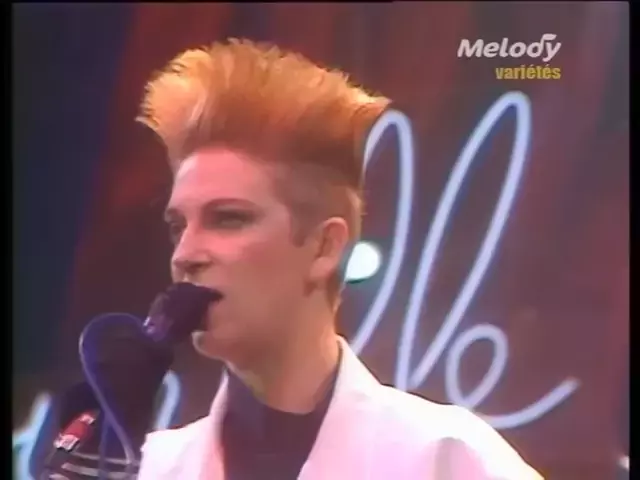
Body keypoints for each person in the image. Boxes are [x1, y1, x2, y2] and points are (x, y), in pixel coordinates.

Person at [135, 38, 543, 480]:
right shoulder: (148, 467)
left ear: (324, 247)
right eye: (178, 226)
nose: (186, 254)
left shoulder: (448, 460)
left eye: (228, 218)